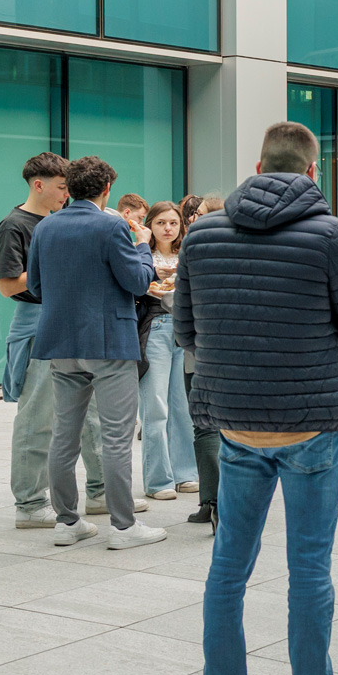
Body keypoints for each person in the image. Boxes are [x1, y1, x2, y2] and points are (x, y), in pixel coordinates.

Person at [175, 121, 338, 675]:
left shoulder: (203, 234)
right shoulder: (331, 237)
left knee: (228, 566)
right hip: (310, 423)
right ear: (313, 172)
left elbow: (186, 330)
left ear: (260, 165)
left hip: (235, 423)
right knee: (309, 569)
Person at [25, 155, 164, 550]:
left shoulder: (46, 227)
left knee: (63, 437)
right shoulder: (113, 226)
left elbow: (35, 286)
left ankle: (67, 522)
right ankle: (123, 527)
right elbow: (138, 282)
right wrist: (142, 247)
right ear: (106, 190)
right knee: (117, 438)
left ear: (69, 187)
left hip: (61, 344)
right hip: (109, 344)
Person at [0, 153, 119, 529]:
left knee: (92, 415)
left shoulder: (55, 222)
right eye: (62, 188)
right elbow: (6, 285)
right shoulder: (14, 225)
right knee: (38, 417)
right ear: (39, 185)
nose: (67, 195)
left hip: (73, 321)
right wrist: (57, 268)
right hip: (38, 323)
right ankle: (31, 503)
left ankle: (100, 492)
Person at [137, 200, 199, 500]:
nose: (167, 228)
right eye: (161, 222)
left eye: (173, 223)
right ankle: (158, 480)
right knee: (155, 407)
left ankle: (185, 473)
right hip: (155, 328)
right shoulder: (141, 254)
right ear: (150, 224)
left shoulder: (185, 254)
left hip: (183, 330)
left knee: (182, 406)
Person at [184, 194, 225, 529]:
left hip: (202, 353)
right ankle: (214, 501)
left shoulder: (193, 251)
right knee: (212, 429)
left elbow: (181, 307)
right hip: (222, 354)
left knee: (207, 428)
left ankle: (214, 501)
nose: (194, 220)